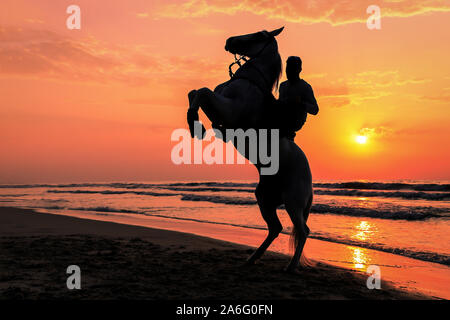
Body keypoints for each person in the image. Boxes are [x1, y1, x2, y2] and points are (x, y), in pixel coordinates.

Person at [277, 56, 319, 140]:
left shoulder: (305, 87)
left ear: (299, 69)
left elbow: (315, 110)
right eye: (288, 68)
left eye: (292, 69)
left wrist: (301, 103)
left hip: (293, 122)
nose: (289, 71)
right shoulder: (283, 86)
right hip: (280, 120)